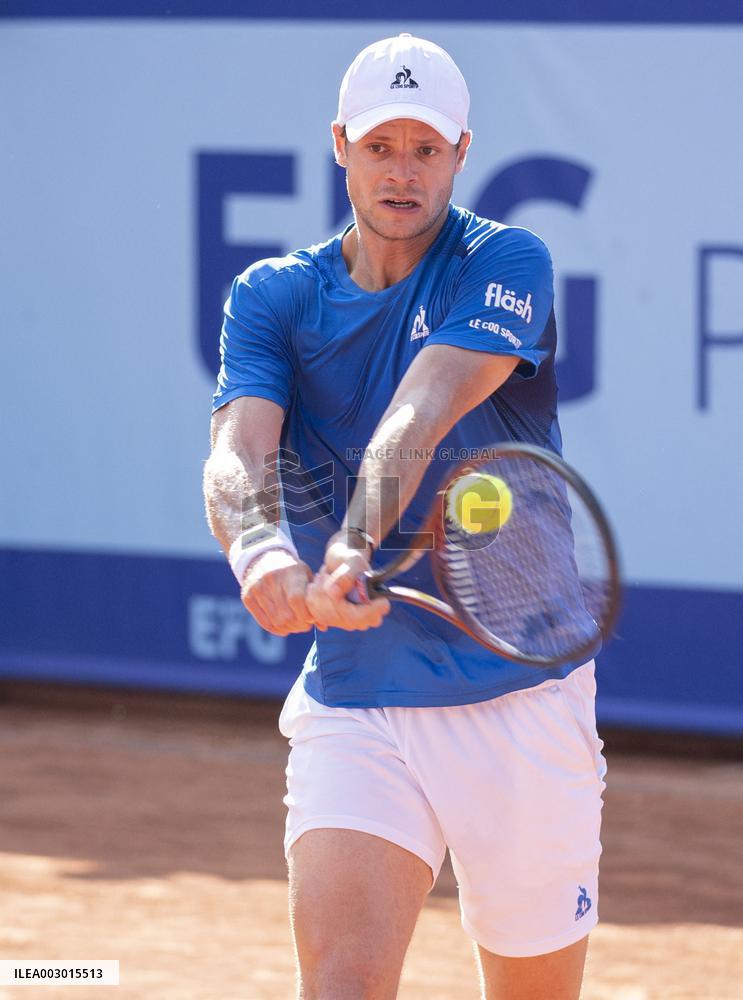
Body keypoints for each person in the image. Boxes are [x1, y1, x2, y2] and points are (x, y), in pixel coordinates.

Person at [203, 32, 606, 1000]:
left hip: (518, 695)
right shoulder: (272, 296)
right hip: (358, 697)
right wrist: (257, 550)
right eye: (380, 145)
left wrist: (346, 544)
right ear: (339, 144)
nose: (401, 170)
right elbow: (235, 450)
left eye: (424, 148)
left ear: (460, 154)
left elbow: (420, 410)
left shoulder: (502, 258)